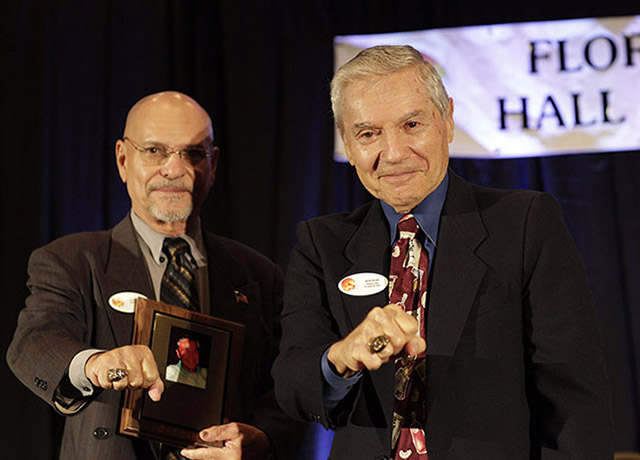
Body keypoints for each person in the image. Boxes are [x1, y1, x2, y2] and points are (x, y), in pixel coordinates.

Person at [272, 45, 614, 460]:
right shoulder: (321, 244)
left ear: (448, 119)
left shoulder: (523, 223)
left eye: (412, 124)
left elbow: (575, 402)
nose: (393, 153)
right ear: (346, 141)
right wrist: (342, 356)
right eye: (368, 134)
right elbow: (291, 385)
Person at [7, 91, 302, 460]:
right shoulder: (71, 260)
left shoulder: (257, 274)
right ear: (122, 159)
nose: (174, 169)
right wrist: (96, 364)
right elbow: (36, 342)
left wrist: (261, 438)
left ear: (214, 164)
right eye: (154, 151)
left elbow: (286, 389)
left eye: (193, 153)